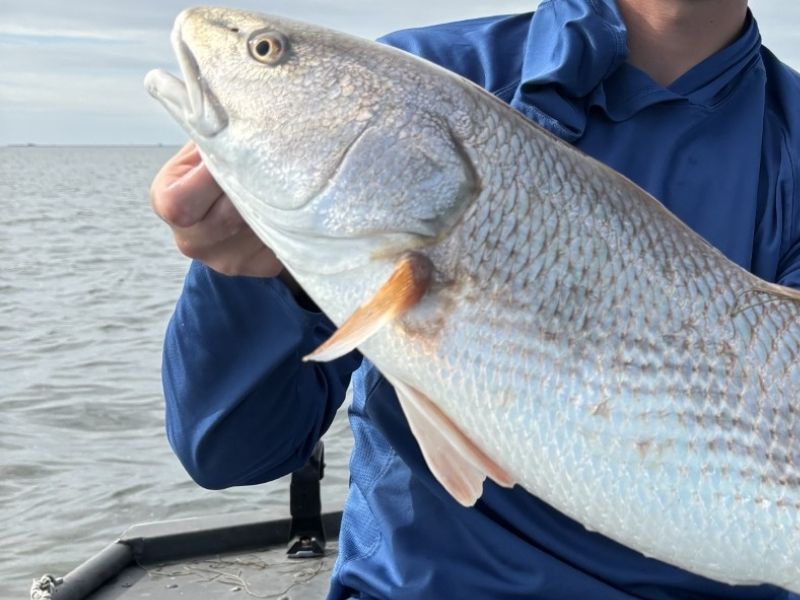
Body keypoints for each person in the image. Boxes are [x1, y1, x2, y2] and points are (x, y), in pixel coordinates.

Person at [150, 0, 800, 598]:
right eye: (269, 54)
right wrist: (262, 275)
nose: (246, 57)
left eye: (267, 52)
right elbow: (230, 449)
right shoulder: (429, 81)